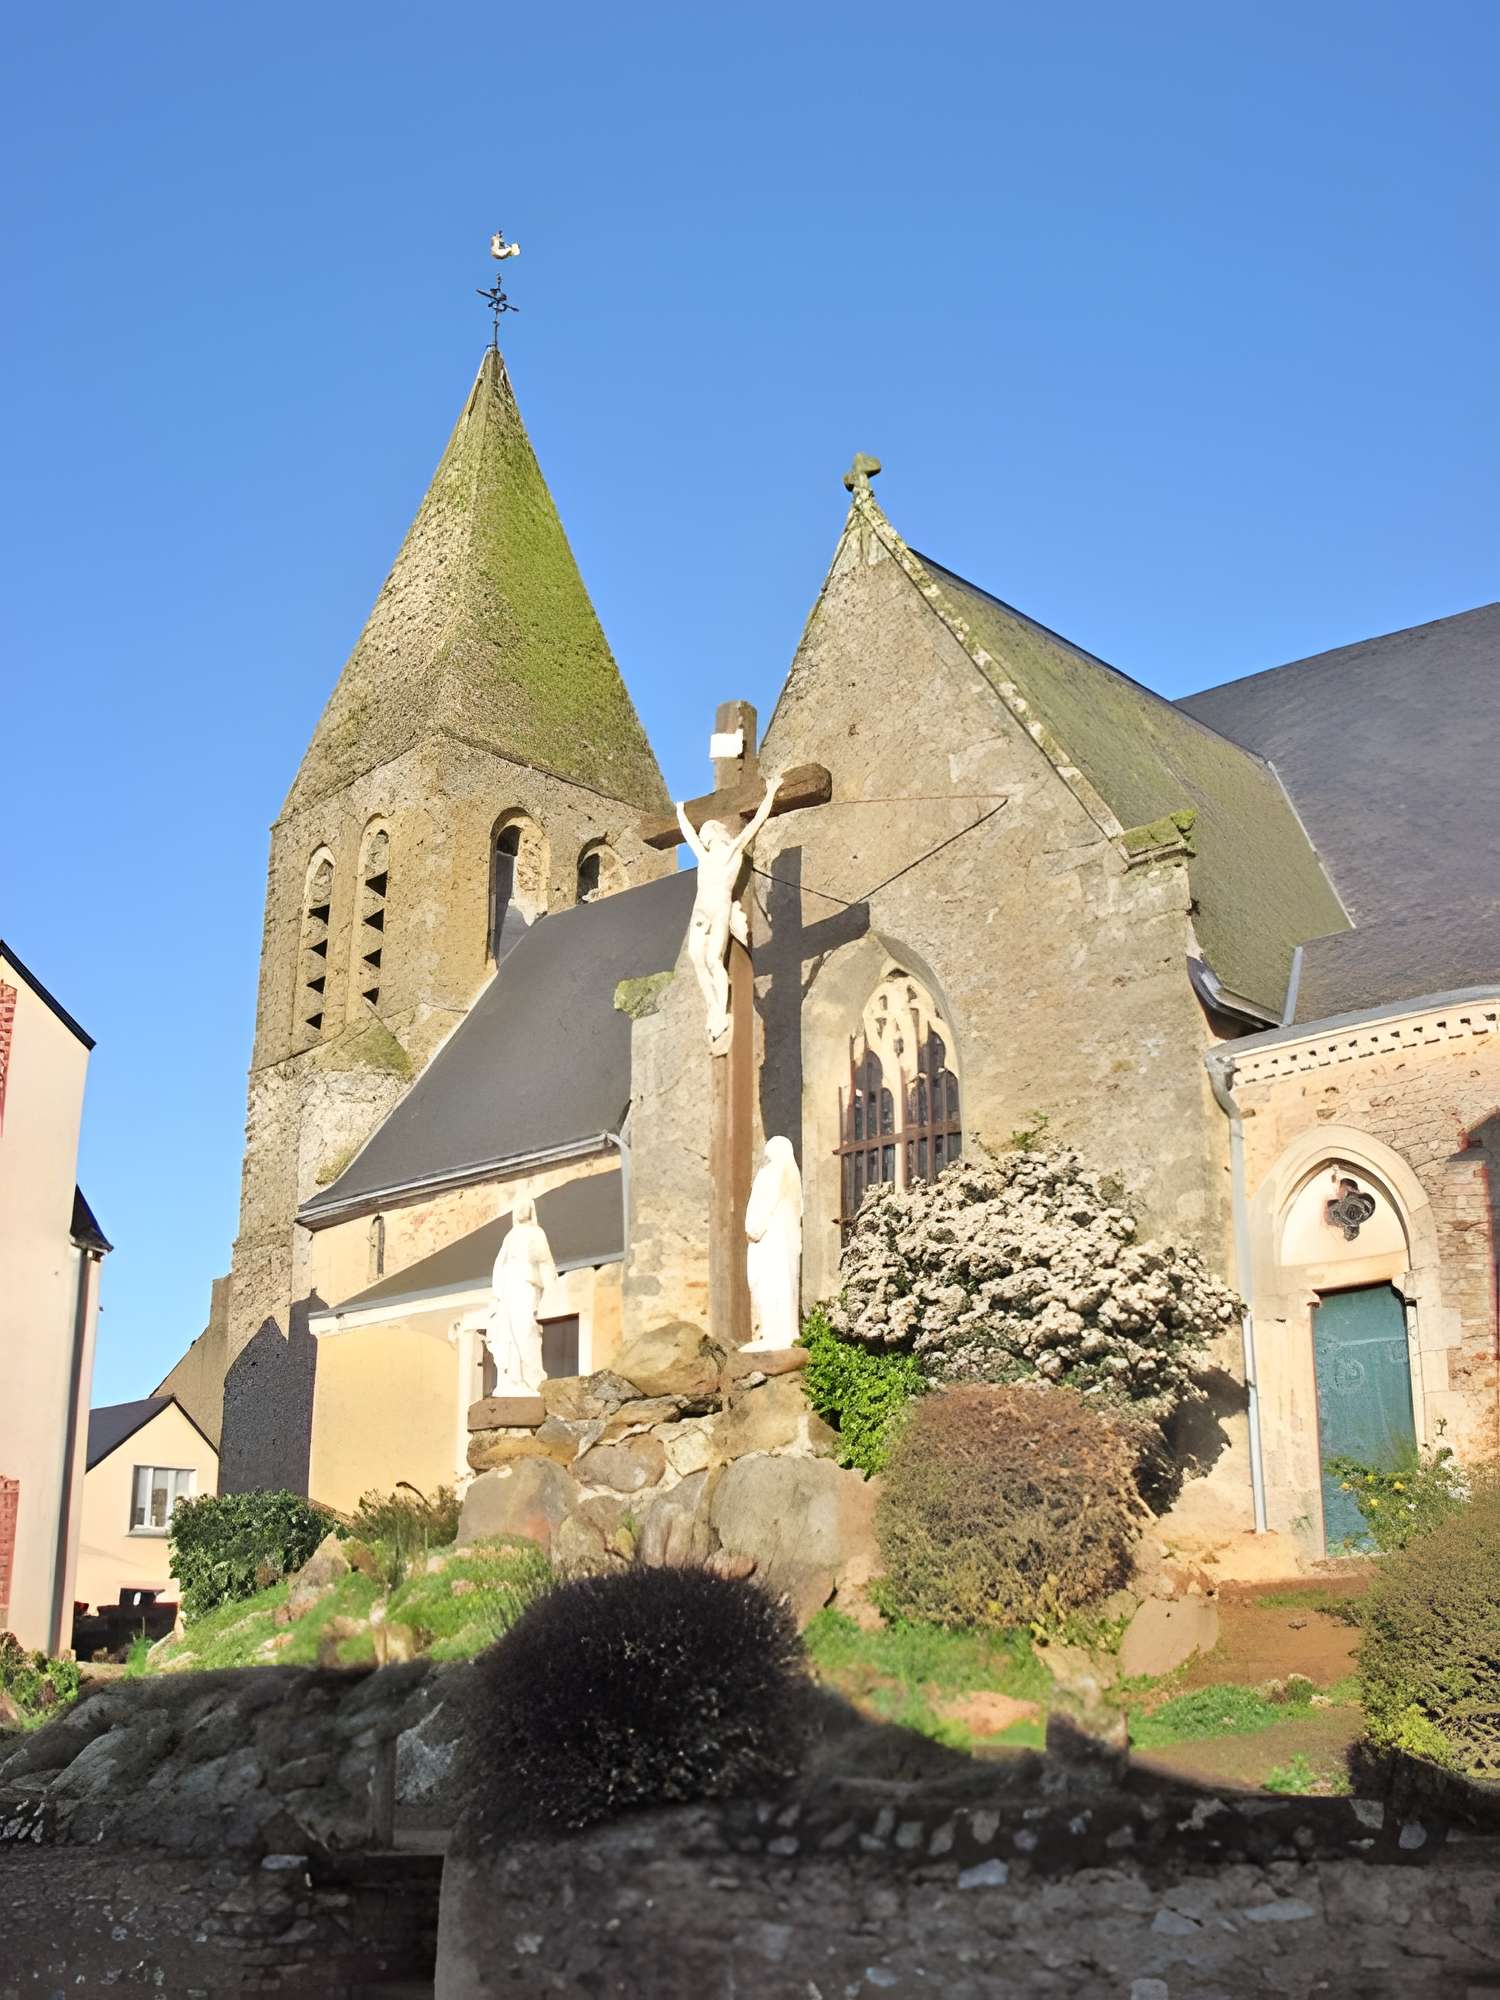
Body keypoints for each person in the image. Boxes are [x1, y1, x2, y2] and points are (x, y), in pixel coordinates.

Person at [675, 770, 784, 1045]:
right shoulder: (704, 855)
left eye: (709, 833)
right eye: (705, 835)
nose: (706, 837)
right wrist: (679, 813)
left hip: (720, 905)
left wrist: (771, 792)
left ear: (718, 834)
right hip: (702, 907)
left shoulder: (732, 850)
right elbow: (688, 835)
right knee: (695, 956)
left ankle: (721, 1011)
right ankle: (712, 1007)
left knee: (713, 959)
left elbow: (754, 824)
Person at [486, 1197, 558, 1391]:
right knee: (507, 1332)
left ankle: (532, 1377)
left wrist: (551, 1290)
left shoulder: (536, 1233)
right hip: (509, 1287)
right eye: (517, 1207)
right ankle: (513, 1378)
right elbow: (500, 1265)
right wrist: (497, 1295)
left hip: (526, 1285)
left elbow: (545, 1262)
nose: (520, 1210)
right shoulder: (509, 1236)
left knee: (525, 1328)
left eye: (524, 1206)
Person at [745, 1136, 803, 1351]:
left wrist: (754, 1228)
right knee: (782, 1283)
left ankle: (775, 1334)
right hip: (784, 1241)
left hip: (769, 1240)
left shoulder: (771, 1174)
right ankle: (784, 1333)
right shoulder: (792, 1176)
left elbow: (763, 1205)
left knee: (769, 1284)